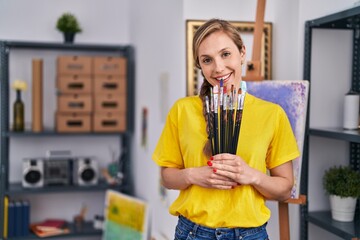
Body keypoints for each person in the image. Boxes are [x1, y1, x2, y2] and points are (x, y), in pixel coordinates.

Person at [152, 18, 299, 240]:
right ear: (200, 66)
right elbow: (167, 178)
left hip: (250, 235)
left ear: (242, 53)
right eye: (207, 60)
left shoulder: (272, 114)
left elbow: (284, 188)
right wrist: (193, 175)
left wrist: (251, 175)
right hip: (192, 233)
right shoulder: (182, 110)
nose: (218, 67)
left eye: (225, 54)